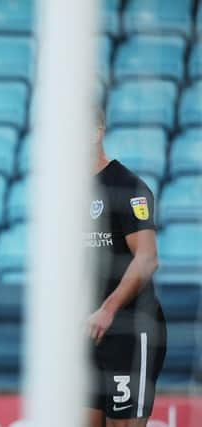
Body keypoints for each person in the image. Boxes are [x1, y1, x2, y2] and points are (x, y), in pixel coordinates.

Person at [86, 108, 166, 427]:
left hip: (129, 330)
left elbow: (147, 258)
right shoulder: (63, 193)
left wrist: (107, 309)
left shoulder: (128, 187)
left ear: (97, 131)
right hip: (85, 333)